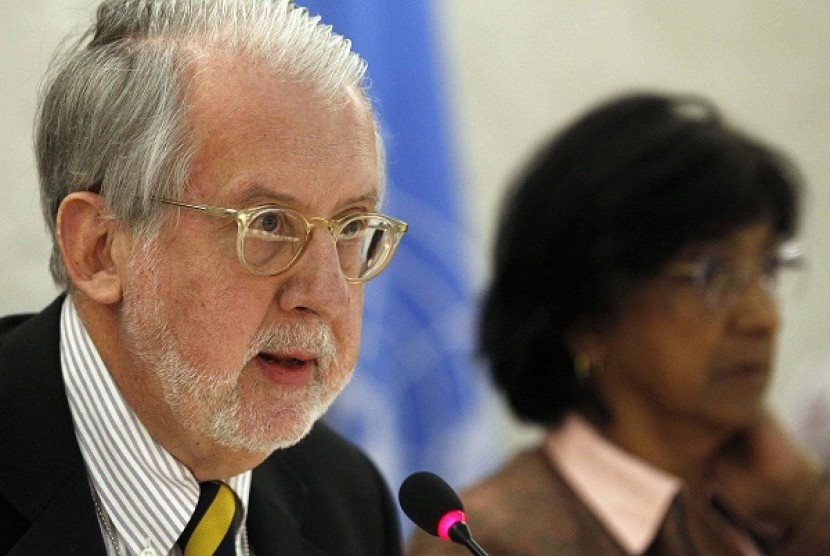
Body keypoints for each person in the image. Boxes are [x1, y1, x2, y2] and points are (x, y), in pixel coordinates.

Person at [0, 0, 409, 554]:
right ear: (99, 249)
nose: (324, 294)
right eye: (268, 223)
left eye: (350, 226)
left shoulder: (348, 501)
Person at [406, 92, 830, 555]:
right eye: (712, 274)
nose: (764, 319)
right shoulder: (491, 543)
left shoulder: (764, 513)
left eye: (768, 268)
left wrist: (809, 511)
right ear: (587, 318)